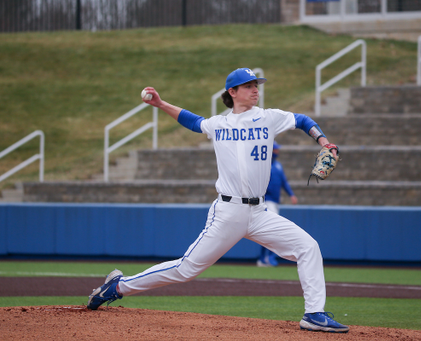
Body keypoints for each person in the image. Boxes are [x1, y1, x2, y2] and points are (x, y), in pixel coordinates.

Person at [86, 68, 349, 333]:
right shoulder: (219, 124)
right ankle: (118, 286)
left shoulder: (269, 118)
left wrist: (324, 141)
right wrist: (161, 103)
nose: (255, 89)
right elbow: (192, 121)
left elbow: (302, 120)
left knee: (308, 247)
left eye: (256, 85)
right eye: (248, 86)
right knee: (186, 269)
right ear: (232, 92)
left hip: (260, 212)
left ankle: (314, 313)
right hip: (228, 212)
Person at [257, 141, 298, 267]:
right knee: (271, 230)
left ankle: (264, 258)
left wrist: (291, 194)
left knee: (269, 231)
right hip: (266, 201)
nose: (277, 152)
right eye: (275, 150)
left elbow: (284, 182)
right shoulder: (263, 165)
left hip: (275, 201)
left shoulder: (278, 166)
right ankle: (267, 258)